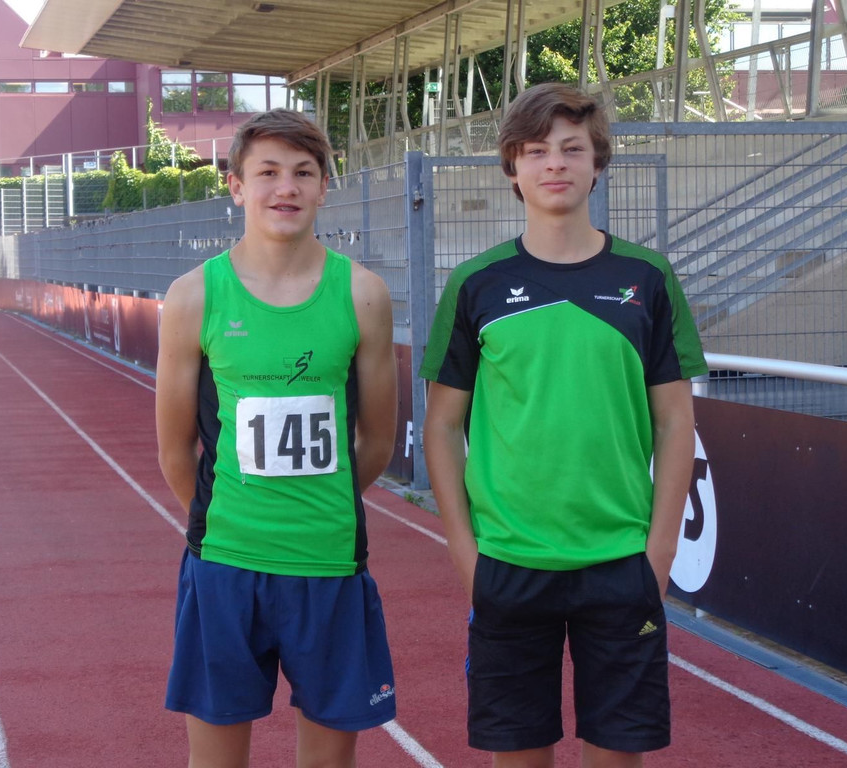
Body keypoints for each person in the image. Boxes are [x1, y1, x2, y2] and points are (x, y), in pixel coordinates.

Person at [420, 83, 708, 768]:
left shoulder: (648, 277)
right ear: (512, 168)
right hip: (509, 563)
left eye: (572, 149)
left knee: (617, 755)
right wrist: (466, 554)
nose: (555, 163)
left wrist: (659, 554)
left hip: (621, 563)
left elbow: (676, 423)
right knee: (519, 755)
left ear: (597, 164)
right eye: (536, 150)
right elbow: (441, 427)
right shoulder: (475, 284)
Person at [155, 108, 398, 767]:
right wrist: (234, 519)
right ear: (236, 186)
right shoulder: (193, 297)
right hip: (226, 565)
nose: (285, 187)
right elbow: (175, 450)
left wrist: (315, 506)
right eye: (267, 172)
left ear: (324, 187)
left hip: (328, 564)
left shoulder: (364, 295)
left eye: (302, 172)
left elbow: (377, 441)